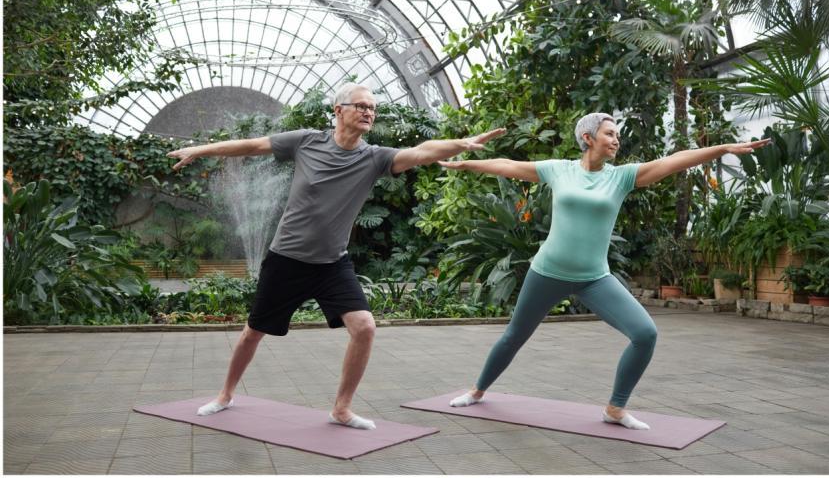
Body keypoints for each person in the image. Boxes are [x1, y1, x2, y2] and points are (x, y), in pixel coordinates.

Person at [167, 82, 505, 430]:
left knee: (365, 328)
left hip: (332, 264)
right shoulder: (306, 141)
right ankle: (225, 395)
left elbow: (420, 151)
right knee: (253, 331)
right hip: (286, 259)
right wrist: (203, 149)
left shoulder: (375, 158)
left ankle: (341, 409)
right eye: (360, 105)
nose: (368, 112)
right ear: (338, 110)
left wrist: (462, 144)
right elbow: (253, 146)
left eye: (372, 108)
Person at [439, 112, 770, 430]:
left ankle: (616, 408)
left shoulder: (622, 176)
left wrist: (722, 148)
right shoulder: (559, 170)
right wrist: (467, 163)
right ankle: (477, 391)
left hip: (594, 278)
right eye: (610, 133)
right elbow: (509, 166)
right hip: (547, 272)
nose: (616, 140)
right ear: (587, 137)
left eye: (617, 135)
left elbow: (674, 160)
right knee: (514, 336)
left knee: (645, 334)